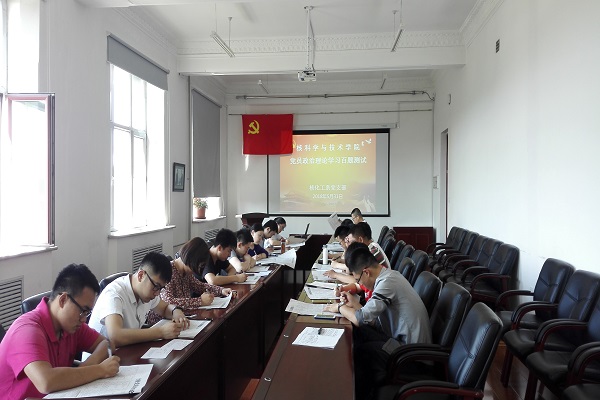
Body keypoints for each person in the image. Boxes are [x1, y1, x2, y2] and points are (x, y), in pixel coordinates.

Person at [324, 242, 431, 399]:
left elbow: (360, 319)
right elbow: (372, 320)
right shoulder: (389, 276)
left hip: (410, 356)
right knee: (358, 334)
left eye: (358, 279)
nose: (360, 284)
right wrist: (353, 304)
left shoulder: (387, 283)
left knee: (360, 351)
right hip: (400, 343)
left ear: (366, 272)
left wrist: (339, 308)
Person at [0, 264, 120, 399]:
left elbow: (107, 344)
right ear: (63, 300)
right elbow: (46, 382)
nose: (84, 319)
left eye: (87, 313)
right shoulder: (27, 330)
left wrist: (85, 367)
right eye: (83, 311)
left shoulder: (71, 325)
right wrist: (99, 370)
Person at [88, 252, 191, 347]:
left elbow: (165, 308)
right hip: (102, 359)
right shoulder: (114, 294)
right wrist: (161, 332)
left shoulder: (146, 292)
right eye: (156, 286)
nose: (157, 293)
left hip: (127, 351)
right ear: (141, 275)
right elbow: (115, 336)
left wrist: (176, 311)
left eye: (161, 288)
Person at [146, 237, 236, 325]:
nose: (196, 271)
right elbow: (168, 302)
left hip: (182, 318)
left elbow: (200, 286)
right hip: (161, 323)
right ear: (191, 259)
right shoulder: (168, 271)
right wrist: (200, 301)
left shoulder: (186, 271)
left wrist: (221, 290)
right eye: (197, 266)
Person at [325, 222, 390, 301]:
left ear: (360, 240)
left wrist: (335, 275)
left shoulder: (371, 254)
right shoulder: (371, 248)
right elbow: (359, 285)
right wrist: (344, 289)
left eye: (350, 242)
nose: (349, 245)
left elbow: (356, 279)